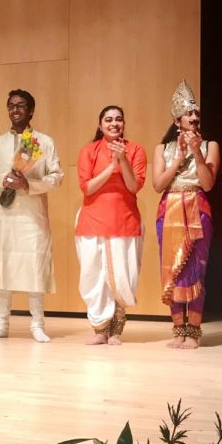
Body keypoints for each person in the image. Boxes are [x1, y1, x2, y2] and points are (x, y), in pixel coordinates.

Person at [0, 89, 64, 342]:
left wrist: (29, 185)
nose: (15, 110)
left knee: (34, 264)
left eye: (21, 106)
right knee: (1, 263)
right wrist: (2, 179)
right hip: (3, 215)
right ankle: (1, 324)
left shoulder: (43, 142)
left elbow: (56, 176)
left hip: (31, 213)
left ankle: (37, 325)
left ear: (31, 111)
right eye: (11, 105)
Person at [152, 80, 220, 349]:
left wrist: (195, 152)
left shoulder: (209, 145)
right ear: (177, 119)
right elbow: (158, 185)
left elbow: (208, 183)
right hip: (168, 209)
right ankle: (178, 329)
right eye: (189, 113)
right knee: (172, 272)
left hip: (197, 206)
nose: (194, 117)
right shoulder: (162, 149)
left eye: (196, 113)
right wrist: (179, 158)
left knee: (196, 271)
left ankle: (194, 330)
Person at [75, 106, 147, 344]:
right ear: (100, 125)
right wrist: (111, 167)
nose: (114, 123)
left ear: (124, 124)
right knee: (93, 277)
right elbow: (87, 188)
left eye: (118, 119)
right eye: (108, 120)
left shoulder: (136, 150)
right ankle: (99, 329)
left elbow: (133, 186)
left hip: (124, 221)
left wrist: (123, 159)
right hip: (92, 222)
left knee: (122, 277)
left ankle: (116, 330)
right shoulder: (88, 151)